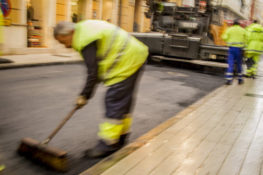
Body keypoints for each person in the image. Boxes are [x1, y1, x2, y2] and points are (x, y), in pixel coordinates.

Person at [53, 20, 148, 158]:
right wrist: (86, 95)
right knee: (123, 101)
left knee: (114, 100)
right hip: (135, 55)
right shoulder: (84, 29)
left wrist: (84, 95)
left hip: (126, 60)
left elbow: (93, 73)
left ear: (70, 32)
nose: (66, 46)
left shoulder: (84, 39)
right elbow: (96, 72)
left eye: (64, 41)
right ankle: (121, 136)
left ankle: (107, 144)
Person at [222, 19, 246, 85]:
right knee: (239, 65)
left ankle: (229, 80)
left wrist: (229, 40)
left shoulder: (230, 29)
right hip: (239, 49)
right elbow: (247, 38)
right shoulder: (242, 30)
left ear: (233, 24)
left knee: (230, 64)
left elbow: (224, 37)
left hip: (231, 49)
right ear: (239, 24)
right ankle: (240, 80)